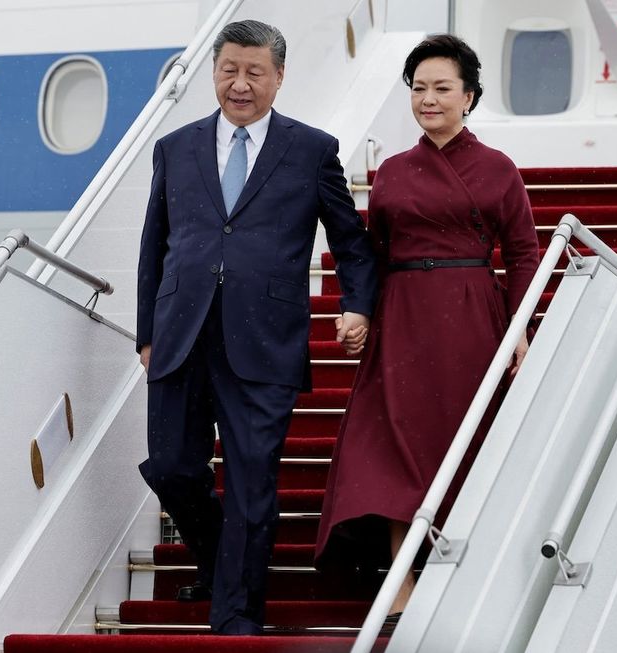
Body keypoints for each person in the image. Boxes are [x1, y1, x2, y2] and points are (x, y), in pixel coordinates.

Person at [135, 19, 377, 636]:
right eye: (229, 71)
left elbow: (350, 239)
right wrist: (146, 331)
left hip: (265, 337)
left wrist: (357, 303)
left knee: (250, 481)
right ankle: (223, 567)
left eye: (254, 73)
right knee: (170, 468)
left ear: (278, 76)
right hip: (180, 333)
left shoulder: (312, 149)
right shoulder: (175, 147)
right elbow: (154, 244)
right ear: (214, 72)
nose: (240, 84)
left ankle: (236, 616)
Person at [314, 34, 540, 619]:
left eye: (442, 88)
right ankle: (401, 574)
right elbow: (373, 251)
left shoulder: (498, 169)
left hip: (470, 314)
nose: (429, 99)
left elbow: (522, 254)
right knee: (394, 442)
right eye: (419, 88)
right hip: (404, 315)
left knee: (465, 437)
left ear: (469, 97)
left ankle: (468, 565)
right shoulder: (390, 170)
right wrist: (358, 310)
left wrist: (518, 326)